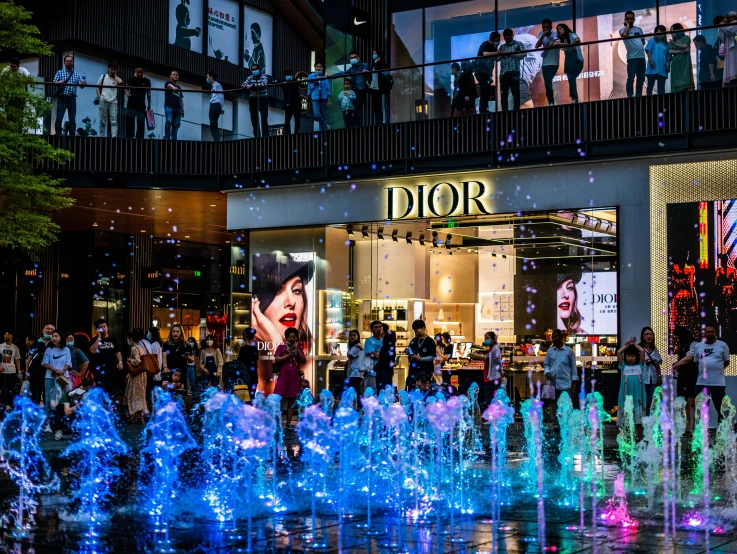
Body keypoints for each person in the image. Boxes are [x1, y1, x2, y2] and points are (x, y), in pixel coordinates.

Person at [251, 253, 314, 396]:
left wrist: (276, 342)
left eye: (296, 290)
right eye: (277, 291)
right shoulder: (250, 368)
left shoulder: (310, 369)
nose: (291, 302)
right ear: (255, 306)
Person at [678, 323, 730, 422]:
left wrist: (715, 369)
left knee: (721, 410)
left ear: (716, 333)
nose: (710, 333)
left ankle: (721, 434)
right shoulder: (698, 346)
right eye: (707, 332)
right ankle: (701, 434)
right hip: (702, 383)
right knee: (701, 410)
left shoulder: (723, 345)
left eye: (712, 332)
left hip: (718, 383)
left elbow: (726, 362)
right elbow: (697, 363)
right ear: (704, 334)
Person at [274, 327, 305, 429]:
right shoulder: (281, 348)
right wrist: (287, 356)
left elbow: (303, 360)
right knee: (278, 398)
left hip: (294, 377)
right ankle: (277, 422)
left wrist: (297, 351)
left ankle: (288, 422)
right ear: (286, 338)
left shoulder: (299, 348)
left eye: (294, 337)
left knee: (292, 400)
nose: (292, 339)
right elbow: (277, 360)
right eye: (290, 337)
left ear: (296, 338)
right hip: (283, 376)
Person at [543, 329, 577, 417]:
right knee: (553, 405)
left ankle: (565, 424)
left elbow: (573, 367)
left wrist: (574, 382)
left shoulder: (569, 351)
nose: (553, 339)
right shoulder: (550, 351)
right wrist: (547, 372)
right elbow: (546, 364)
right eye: (552, 337)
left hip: (565, 383)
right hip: (552, 383)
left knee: (566, 405)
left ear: (562, 338)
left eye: (555, 337)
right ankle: (555, 424)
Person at [671, 326, 698, 433]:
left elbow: (689, 358)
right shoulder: (681, 346)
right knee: (686, 401)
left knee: (691, 401)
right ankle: (687, 426)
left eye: (676, 336)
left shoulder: (693, 344)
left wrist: (675, 365)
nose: (675, 339)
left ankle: (692, 426)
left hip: (691, 375)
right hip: (683, 375)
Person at [616, 337, 647, 430]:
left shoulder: (640, 365)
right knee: (627, 418)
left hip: (638, 394)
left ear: (636, 357)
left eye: (633, 356)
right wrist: (628, 344)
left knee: (638, 421)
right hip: (626, 393)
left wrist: (634, 344)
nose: (630, 358)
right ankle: (627, 437)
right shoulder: (623, 366)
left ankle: (638, 437)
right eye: (628, 356)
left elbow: (642, 351)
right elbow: (618, 352)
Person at [53, 55, 86, 136]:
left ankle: (72, 135)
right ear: (64, 62)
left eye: (71, 61)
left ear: (73, 63)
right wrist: (58, 82)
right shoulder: (60, 72)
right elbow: (54, 82)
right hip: (62, 97)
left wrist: (83, 83)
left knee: (72, 118)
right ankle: (58, 134)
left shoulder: (76, 74)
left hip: (72, 98)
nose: (69, 62)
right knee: (59, 117)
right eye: (67, 61)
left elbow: (81, 85)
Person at [334, 51, 370, 126]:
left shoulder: (364, 65)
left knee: (358, 110)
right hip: (353, 91)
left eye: (355, 57)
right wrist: (332, 75)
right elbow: (343, 73)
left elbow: (366, 70)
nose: (353, 59)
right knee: (353, 110)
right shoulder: (352, 68)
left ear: (359, 58)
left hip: (361, 90)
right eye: (351, 58)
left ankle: (358, 126)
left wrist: (365, 71)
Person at [89, 318, 123, 395]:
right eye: (101, 327)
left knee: (110, 390)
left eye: (105, 326)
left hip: (111, 369)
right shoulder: (94, 339)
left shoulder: (112, 339)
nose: (104, 329)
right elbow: (92, 351)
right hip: (99, 370)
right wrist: (98, 338)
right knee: (100, 390)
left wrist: (120, 362)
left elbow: (118, 352)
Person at [497, 29, 525, 111]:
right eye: (506, 38)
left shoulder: (518, 44)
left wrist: (512, 54)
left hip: (514, 72)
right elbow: (497, 59)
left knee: (516, 95)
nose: (507, 40)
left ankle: (516, 112)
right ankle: (504, 112)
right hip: (504, 74)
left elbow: (524, 54)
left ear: (512, 36)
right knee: (503, 96)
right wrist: (501, 55)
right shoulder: (502, 47)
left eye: (509, 38)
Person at [620, 10, 647, 98]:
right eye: (628, 19)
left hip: (641, 57)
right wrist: (627, 25)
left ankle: (638, 95)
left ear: (634, 19)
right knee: (631, 78)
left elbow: (642, 41)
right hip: (632, 58)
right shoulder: (622, 30)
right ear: (625, 19)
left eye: (631, 19)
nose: (630, 20)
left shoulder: (639, 29)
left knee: (641, 79)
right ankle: (630, 96)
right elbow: (624, 35)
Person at [42, 330, 71, 410]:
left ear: (61, 338)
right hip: (50, 377)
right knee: (49, 398)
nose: (54, 338)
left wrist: (62, 370)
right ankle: (48, 419)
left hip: (63, 377)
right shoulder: (49, 350)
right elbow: (45, 363)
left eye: (56, 336)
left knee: (63, 398)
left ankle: (60, 418)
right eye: (53, 336)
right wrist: (55, 370)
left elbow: (68, 363)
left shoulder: (66, 350)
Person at [555, 24, 584, 104]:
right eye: (558, 29)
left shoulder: (571, 35)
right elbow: (554, 44)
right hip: (569, 62)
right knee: (571, 80)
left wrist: (569, 45)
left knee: (571, 79)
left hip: (576, 60)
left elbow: (577, 40)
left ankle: (574, 98)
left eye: (560, 28)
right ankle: (574, 98)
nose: (559, 30)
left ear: (565, 29)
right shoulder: (561, 40)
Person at [124, 329, 148, 424]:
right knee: (140, 394)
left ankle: (135, 415)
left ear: (130, 339)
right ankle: (139, 416)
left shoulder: (134, 348)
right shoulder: (140, 347)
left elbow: (137, 361)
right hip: (142, 374)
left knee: (134, 394)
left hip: (136, 374)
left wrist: (129, 360)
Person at [26, 325, 54, 406]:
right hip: (36, 373)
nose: (49, 330)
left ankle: (47, 415)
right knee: (35, 396)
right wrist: (27, 373)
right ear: (43, 330)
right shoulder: (36, 343)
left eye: (52, 329)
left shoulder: (54, 344)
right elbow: (29, 359)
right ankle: (34, 416)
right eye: (47, 328)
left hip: (50, 374)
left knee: (48, 396)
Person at [162, 324, 193, 392]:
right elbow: (164, 356)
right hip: (169, 371)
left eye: (177, 332)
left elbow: (192, 360)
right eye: (173, 332)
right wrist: (165, 367)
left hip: (181, 372)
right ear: (171, 333)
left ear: (181, 333)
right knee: (168, 393)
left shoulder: (186, 345)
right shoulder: (167, 344)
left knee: (180, 392)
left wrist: (187, 357)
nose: (175, 334)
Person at [536, 19, 560, 106]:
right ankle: (550, 101)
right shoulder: (541, 34)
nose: (545, 29)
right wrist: (542, 36)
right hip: (545, 63)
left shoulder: (555, 34)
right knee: (546, 83)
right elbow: (537, 46)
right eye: (544, 27)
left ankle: (551, 102)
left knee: (548, 80)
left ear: (551, 27)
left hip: (554, 62)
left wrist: (545, 49)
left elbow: (554, 44)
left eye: (547, 27)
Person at [639, 326, 662, 416]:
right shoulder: (639, 348)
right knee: (641, 401)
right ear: (643, 336)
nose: (649, 336)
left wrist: (659, 376)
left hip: (653, 379)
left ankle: (649, 422)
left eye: (650, 334)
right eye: (646, 334)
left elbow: (657, 365)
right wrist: (644, 361)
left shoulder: (655, 349)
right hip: (642, 378)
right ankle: (640, 422)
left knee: (651, 402)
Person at [406, 319, 435, 390]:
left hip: (425, 370)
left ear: (423, 328)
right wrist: (408, 352)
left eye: (417, 330)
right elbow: (410, 351)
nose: (415, 332)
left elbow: (432, 356)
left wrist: (420, 359)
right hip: (413, 370)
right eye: (414, 330)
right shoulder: (414, 340)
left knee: (423, 389)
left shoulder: (430, 342)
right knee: (411, 389)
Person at [243, 63, 269, 138]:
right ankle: (257, 137)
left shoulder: (264, 76)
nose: (254, 71)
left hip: (263, 99)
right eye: (253, 69)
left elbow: (264, 84)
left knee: (264, 119)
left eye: (255, 69)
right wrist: (249, 86)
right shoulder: (250, 77)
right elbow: (244, 85)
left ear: (259, 69)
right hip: (253, 99)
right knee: (254, 120)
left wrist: (253, 86)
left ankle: (265, 137)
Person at [96, 62, 122, 138]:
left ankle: (114, 136)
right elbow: (97, 87)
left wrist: (115, 76)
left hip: (113, 100)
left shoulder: (117, 79)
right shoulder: (103, 76)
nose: (113, 71)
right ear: (108, 69)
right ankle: (102, 135)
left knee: (114, 120)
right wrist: (99, 96)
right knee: (102, 120)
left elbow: (120, 82)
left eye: (114, 70)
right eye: (111, 69)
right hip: (104, 98)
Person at [475, 32, 499, 113]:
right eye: (497, 39)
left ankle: (485, 109)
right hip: (481, 72)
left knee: (486, 92)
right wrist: (496, 53)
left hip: (488, 72)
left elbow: (495, 59)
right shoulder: (485, 44)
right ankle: (483, 110)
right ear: (492, 39)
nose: (498, 41)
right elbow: (484, 54)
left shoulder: (494, 47)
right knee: (484, 91)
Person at [140, 326, 163, 411]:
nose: (148, 334)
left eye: (149, 333)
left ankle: (152, 409)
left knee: (151, 392)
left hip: (153, 372)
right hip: (159, 370)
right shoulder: (159, 344)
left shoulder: (153, 345)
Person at [125, 66, 151, 139]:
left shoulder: (147, 81)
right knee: (130, 121)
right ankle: (129, 137)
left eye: (141, 72)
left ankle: (139, 138)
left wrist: (149, 104)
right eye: (138, 72)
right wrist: (127, 94)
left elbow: (149, 93)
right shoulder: (131, 79)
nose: (139, 74)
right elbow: (126, 88)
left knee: (141, 121)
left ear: (143, 72)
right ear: (135, 72)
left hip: (141, 103)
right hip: (131, 102)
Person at [668, 24, 694, 93]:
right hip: (676, 65)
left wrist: (674, 43)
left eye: (673, 31)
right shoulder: (671, 41)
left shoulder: (686, 38)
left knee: (686, 80)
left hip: (685, 63)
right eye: (671, 31)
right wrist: (681, 52)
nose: (672, 33)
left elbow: (684, 46)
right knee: (676, 84)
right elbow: (670, 51)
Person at [645, 26, 670, 96]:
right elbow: (648, 50)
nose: (660, 35)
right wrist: (651, 61)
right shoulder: (652, 40)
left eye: (662, 34)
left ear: (664, 34)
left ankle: (661, 103)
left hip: (662, 67)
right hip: (653, 67)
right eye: (658, 33)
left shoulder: (666, 44)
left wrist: (668, 65)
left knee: (661, 88)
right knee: (650, 86)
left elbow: (668, 56)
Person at [307, 61, 331, 131]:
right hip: (315, 97)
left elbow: (327, 89)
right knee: (317, 115)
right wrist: (314, 83)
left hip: (324, 98)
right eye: (317, 67)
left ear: (322, 68)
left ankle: (321, 132)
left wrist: (328, 100)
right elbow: (309, 88)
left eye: (320, 67)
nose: (318, 68)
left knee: (323, 115)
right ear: (314, 68)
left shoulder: (324, 77)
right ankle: (326, 126)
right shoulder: (311, 76)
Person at [369, 49, 391, 125]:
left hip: (380, 88)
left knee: (381, 107)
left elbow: (385, 74)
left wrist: (377, 63)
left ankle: (382, 122)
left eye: (375, 53)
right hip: (373, 88)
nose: (373, 55)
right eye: (373, 53)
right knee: (375, 108)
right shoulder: (374, 64)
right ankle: (377, 122)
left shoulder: (382, 64)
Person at [1, 331, 21, 411]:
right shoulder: (0, 346)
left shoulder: (15, 347)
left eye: (8, 335)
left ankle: (9, 405)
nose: (7, 337)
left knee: (11, 389)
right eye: (5, 335)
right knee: (3, 389)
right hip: (2, 371)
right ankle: (2, 404)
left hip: (12, 371)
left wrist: (19, 370)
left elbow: (17, 360)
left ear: (11, 336)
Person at [237, 328, 259, 396]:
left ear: (245, 336)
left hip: (244, 376)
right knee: (251, 397)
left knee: (244, 399)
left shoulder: (243, 349)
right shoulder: (255, 349)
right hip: (254, 376)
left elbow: (239, 363)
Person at [164, 70, 184, 141]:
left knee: (176, 125)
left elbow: (181, 100)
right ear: (170, 76)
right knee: (168, 122)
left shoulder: (179, 88)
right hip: (169, 106)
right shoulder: (168, 83)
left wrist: (182, 110)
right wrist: (173, 87)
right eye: (174, 74)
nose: (176, 76)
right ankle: (167, 138)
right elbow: (169, 85)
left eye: (177, 75)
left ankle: (174, 139)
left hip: (178, 108)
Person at [718, 12, 737, 86]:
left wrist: (722, 25)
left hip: (734, 48)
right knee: (730, 64)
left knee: (733, 64)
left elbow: (730, 31)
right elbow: (722, 36)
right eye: (729, 17)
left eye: (732, 17)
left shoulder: (735, 23)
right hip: (728, 48)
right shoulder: (727, 25)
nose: (730, 18)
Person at [363, 321, 383, 390]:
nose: (378, 329)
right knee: (370, 395)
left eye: (380, 327)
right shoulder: (369, 341)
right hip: (371, 372)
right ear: (372, 330)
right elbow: (372, 354)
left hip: (382, 372)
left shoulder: (384, 341)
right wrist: (384, 356)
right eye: (376, 327)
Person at [375, 327, 396, 392]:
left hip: (380, 372)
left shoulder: (383, 347)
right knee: (386, 391)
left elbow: (382, 360)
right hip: (386, 373)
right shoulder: (391, 348)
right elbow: (387, 361)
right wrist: (393, 363)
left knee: (380, 391)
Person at [484, 331, 504, 399]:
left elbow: (498, 363)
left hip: (493, 379)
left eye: (487, 338)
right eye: (485, 338)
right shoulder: (490, 350)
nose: (486, 340)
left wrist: (501, 373)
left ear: (493, 340)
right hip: (489, 378)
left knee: (492, 399)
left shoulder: (495, 349)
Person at [282, 70, 301, 134]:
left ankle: (296, 133)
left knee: (297, 119)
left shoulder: (295, 81)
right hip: (288, 104)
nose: (287, 76)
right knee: (287, 120)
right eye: (286, 75)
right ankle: (288, 133)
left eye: (289, 74)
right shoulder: (284, 82)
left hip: (296, 103)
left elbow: (296, 85)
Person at [206, 71, 224, 142]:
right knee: (212, 124)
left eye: (208, 77)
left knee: (213, 124)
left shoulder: (217, 85)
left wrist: (221, 107)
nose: (207, 79)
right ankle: (216, 140)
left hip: (216, 105)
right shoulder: (213, 86)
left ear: (211, 77)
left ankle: (217, 140)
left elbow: (221, 96)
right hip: (212, 105)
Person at [346, 330, 364, 395]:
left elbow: (349, 355)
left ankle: (358, 404)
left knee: (355, 391)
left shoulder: (357, 346)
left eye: (354, 335)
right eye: (351, 336)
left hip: (356, 373)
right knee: (354, 391)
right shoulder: (354, 346)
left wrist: (348, 347)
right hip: (354, 372)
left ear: (358, 337)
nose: (352, 337)